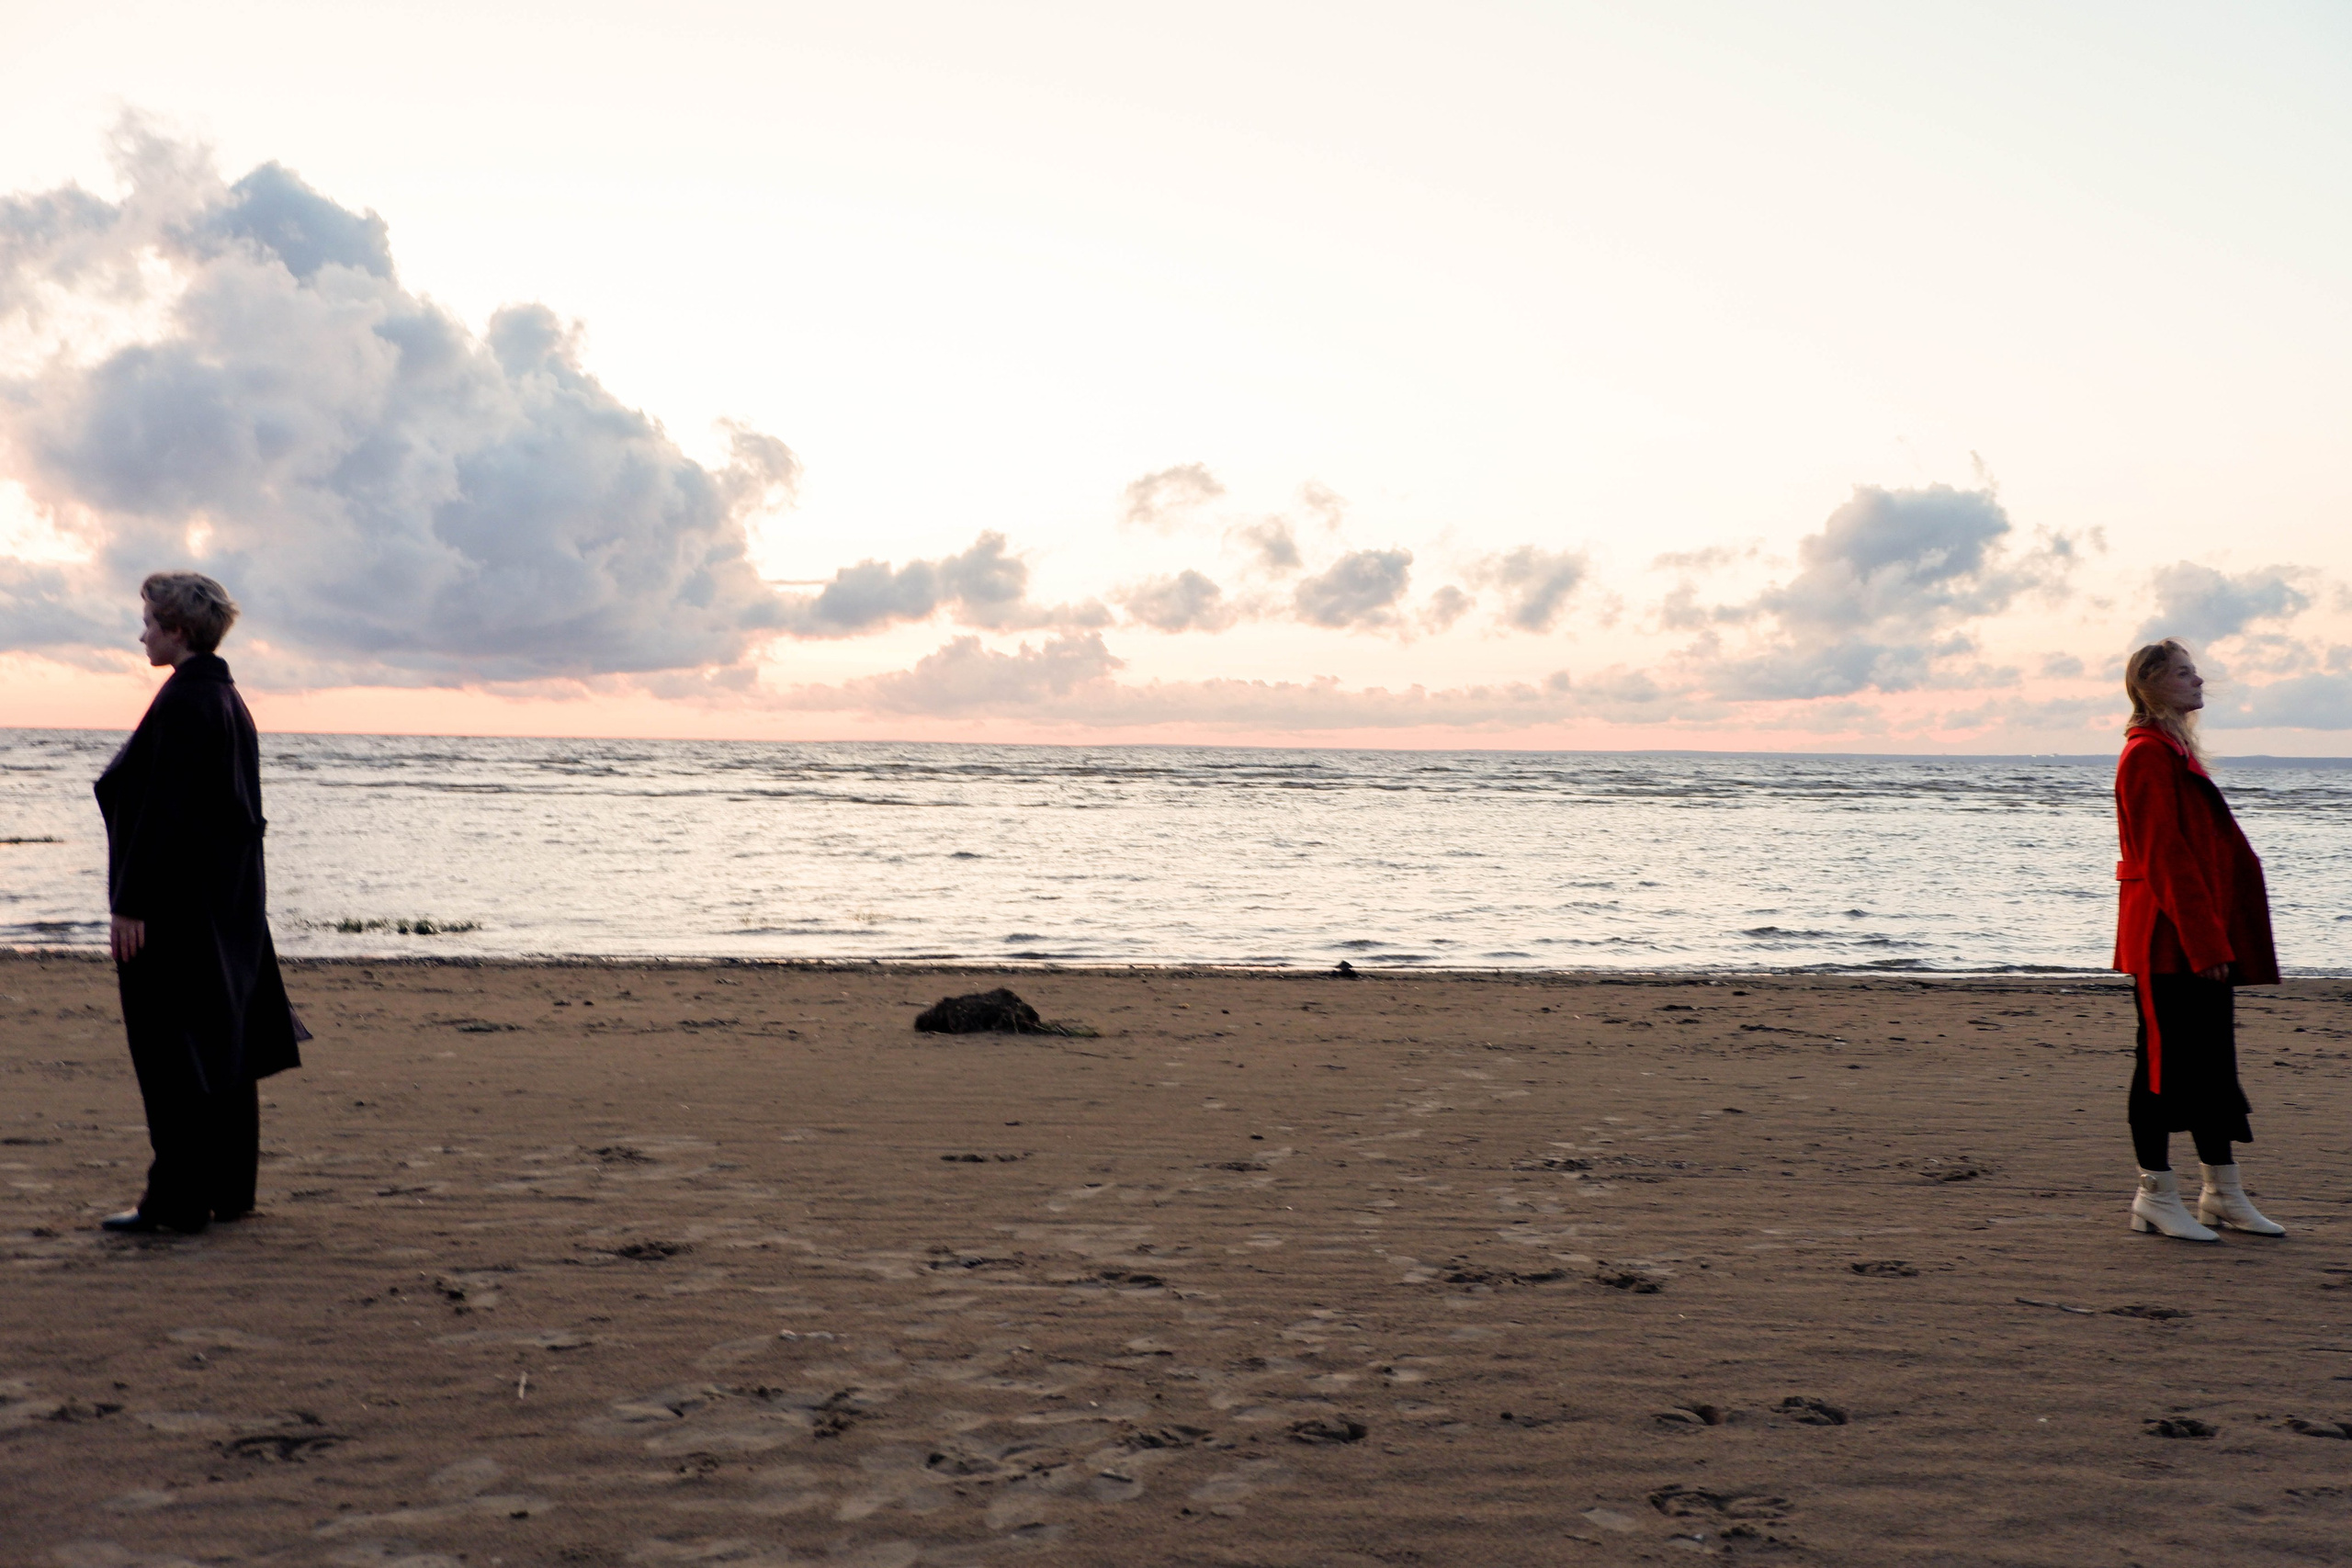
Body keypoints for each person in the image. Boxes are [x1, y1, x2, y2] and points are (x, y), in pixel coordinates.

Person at [94, 572, 306, 1235]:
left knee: (172, 1049)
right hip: (225, 906)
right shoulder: (225, 697)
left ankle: (179, 1200)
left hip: (180, 910)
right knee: (223, 1044)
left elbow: (165, 813)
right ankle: (227, 1190)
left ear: (179, 630)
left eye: (151, 622)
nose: (143, 632)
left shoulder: (191, 700)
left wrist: (130, 903)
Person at [2111, 638, 2281, 1242]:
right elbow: (2165, 858)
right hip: (2167, 941)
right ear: (2152, 682)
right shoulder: (2145, 755)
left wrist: (2216, 938)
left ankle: (2222, 1193)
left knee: (2213, 1066)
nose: (2198, 680)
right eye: (2184, 673)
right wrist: (2205, 942)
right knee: (2161, 1067)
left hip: (2200, 936)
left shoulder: (2175, 750)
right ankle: (2154, 1193)